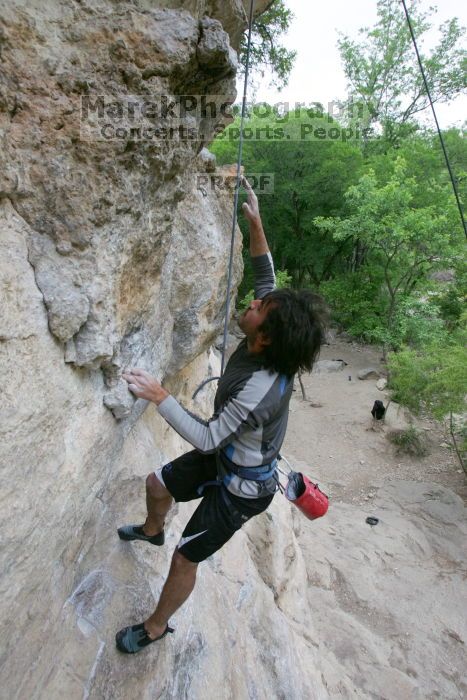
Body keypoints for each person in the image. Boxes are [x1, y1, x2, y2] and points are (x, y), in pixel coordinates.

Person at [115, 179, 326, 654]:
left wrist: (159, 395)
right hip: (230, 458)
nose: (251, 302)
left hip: (241, 490)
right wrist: (256, 224)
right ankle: (152, 530)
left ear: (265, 336)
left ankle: (154, 628)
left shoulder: (260, 390)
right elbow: (265, 274)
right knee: (156, 485)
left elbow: (209, 438)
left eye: (256, 308)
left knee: (186, 557)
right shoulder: (271, 338)